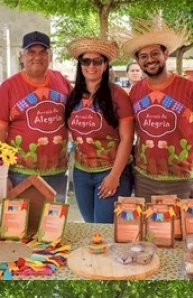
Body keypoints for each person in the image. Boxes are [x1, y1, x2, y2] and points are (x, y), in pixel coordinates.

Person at [120, 18, 193, 199]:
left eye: (155, 53)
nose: (150, 60)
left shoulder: (189, 88)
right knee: (148, 225)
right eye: (143, 56)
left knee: (179, 226)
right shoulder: (136, 91)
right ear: (138, 61)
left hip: (181, 177)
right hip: (144, 177)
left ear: (166, 53)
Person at [0, 31, 71, 202]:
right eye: (31, 52)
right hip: (20, 173)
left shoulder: (61, 81)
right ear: (21, 56)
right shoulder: (8, 87)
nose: (37, 57)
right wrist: (0, 174)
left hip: (57, 172)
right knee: (20, 226)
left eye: (43, 52)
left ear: (50, 56)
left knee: (54, 225)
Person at [64, 37, 134, 223]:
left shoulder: (118, 95)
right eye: (86, 61)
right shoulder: (73, 96)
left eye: (97, 61)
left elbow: (127, 138)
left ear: (105, 65)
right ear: (80, 65)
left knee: (105, 227)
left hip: (111, 171)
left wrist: (114, 176)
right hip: (81, 174)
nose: (91, 66)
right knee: (90, 226)